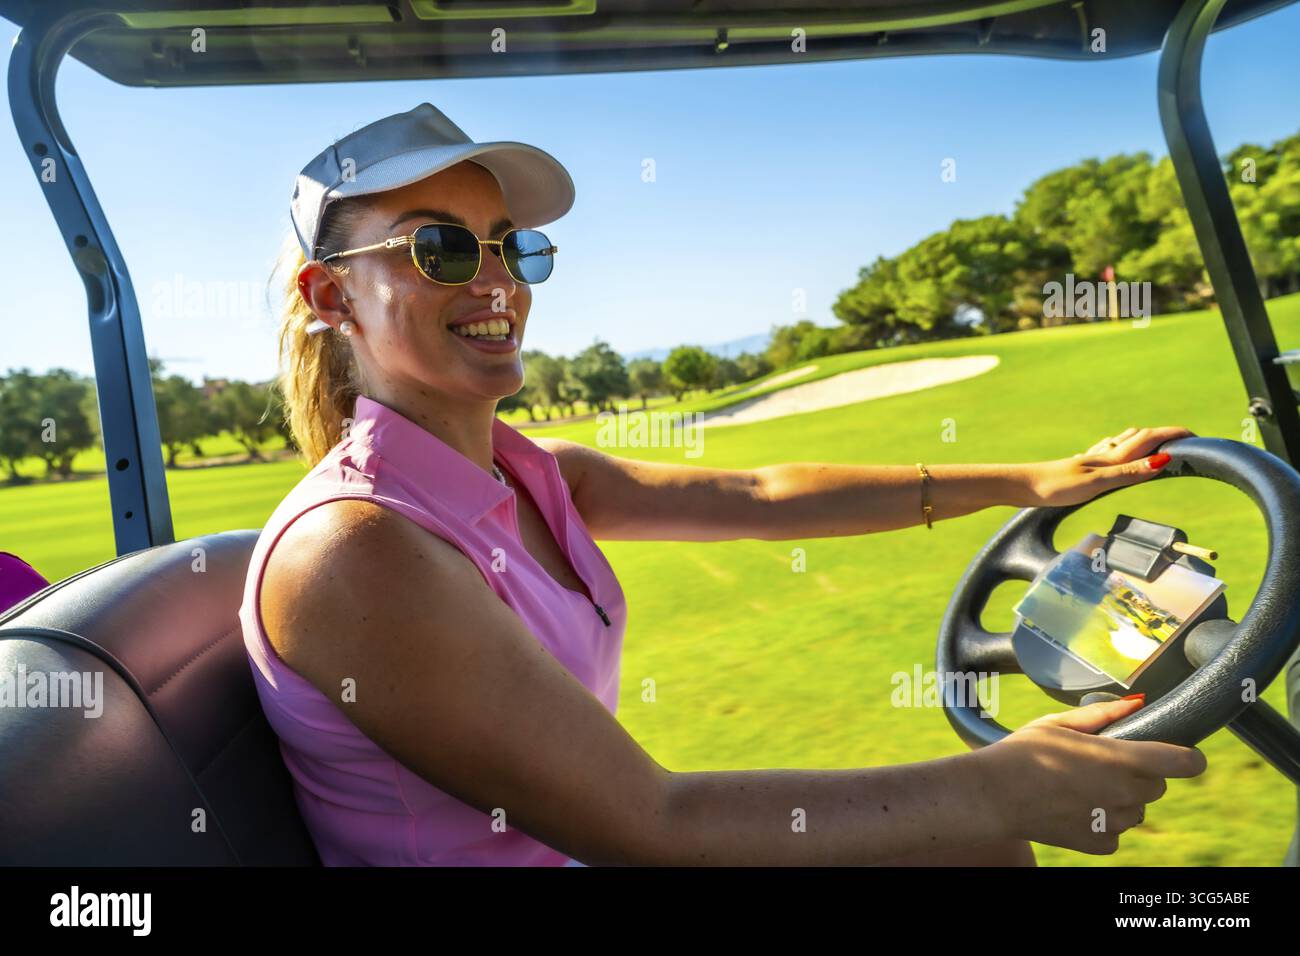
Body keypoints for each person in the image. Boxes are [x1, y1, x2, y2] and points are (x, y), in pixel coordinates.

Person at [238, 102, 1205, 867]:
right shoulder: (355, 546)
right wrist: (1002, 783)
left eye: (513, 245)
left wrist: (1028, 481)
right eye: (440, 249)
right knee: (971, 834)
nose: (497, 281)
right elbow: (645, 820)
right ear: (331, 297)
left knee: (969, 848)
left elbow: (761, 495)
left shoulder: (538, 476)